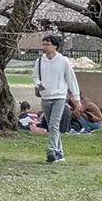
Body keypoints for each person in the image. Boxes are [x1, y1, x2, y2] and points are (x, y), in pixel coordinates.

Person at [33, 34, 80, 164]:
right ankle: (59, 153)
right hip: (45, 97)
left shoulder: (63, 61)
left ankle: (51, 150)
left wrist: (77, 98)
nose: (45, 47)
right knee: (51, 125)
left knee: (54, 124)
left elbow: (71, 79)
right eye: (44, 44)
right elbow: (35, 76)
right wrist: (38, 84)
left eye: (48, 44)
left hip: (59, 96)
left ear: (55, 46)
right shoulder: (40, 61)